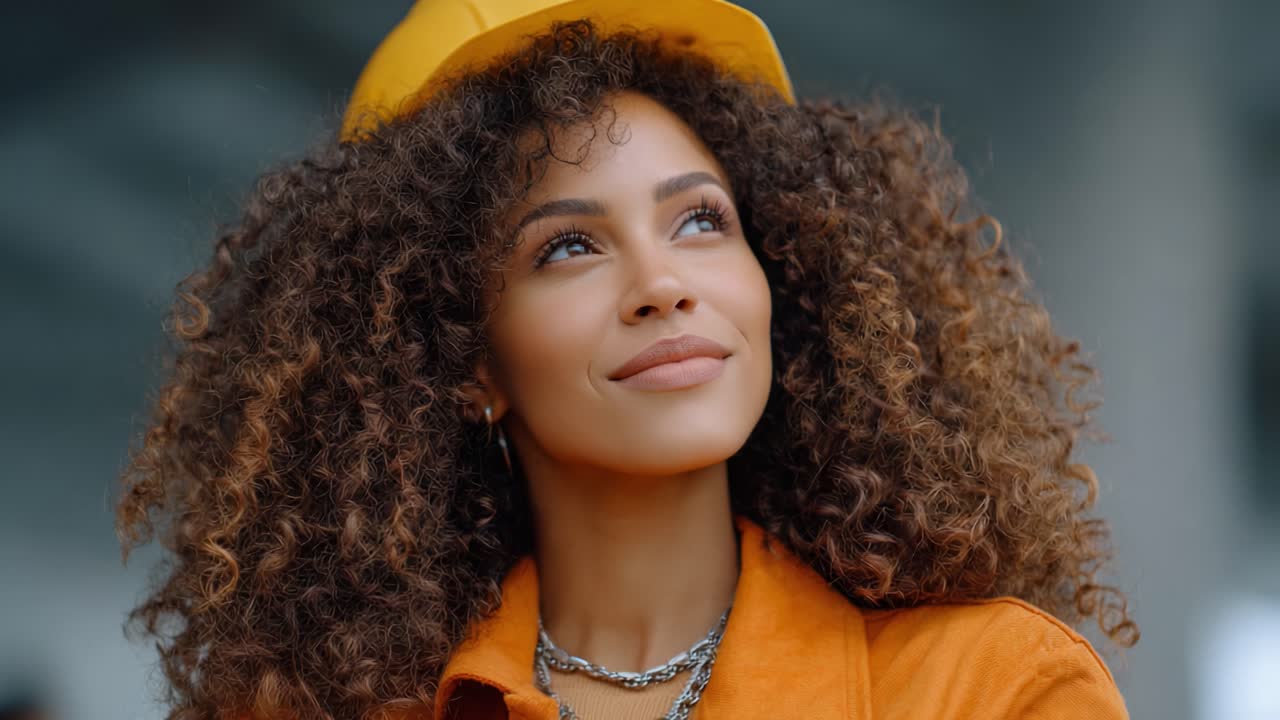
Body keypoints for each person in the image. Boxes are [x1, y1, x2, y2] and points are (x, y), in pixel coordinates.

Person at [114, 1, 1140, 718]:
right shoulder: (297, 715)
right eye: (568, 246)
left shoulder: (994, 692)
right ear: (464, 361)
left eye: (700, 221)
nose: (661, 283)